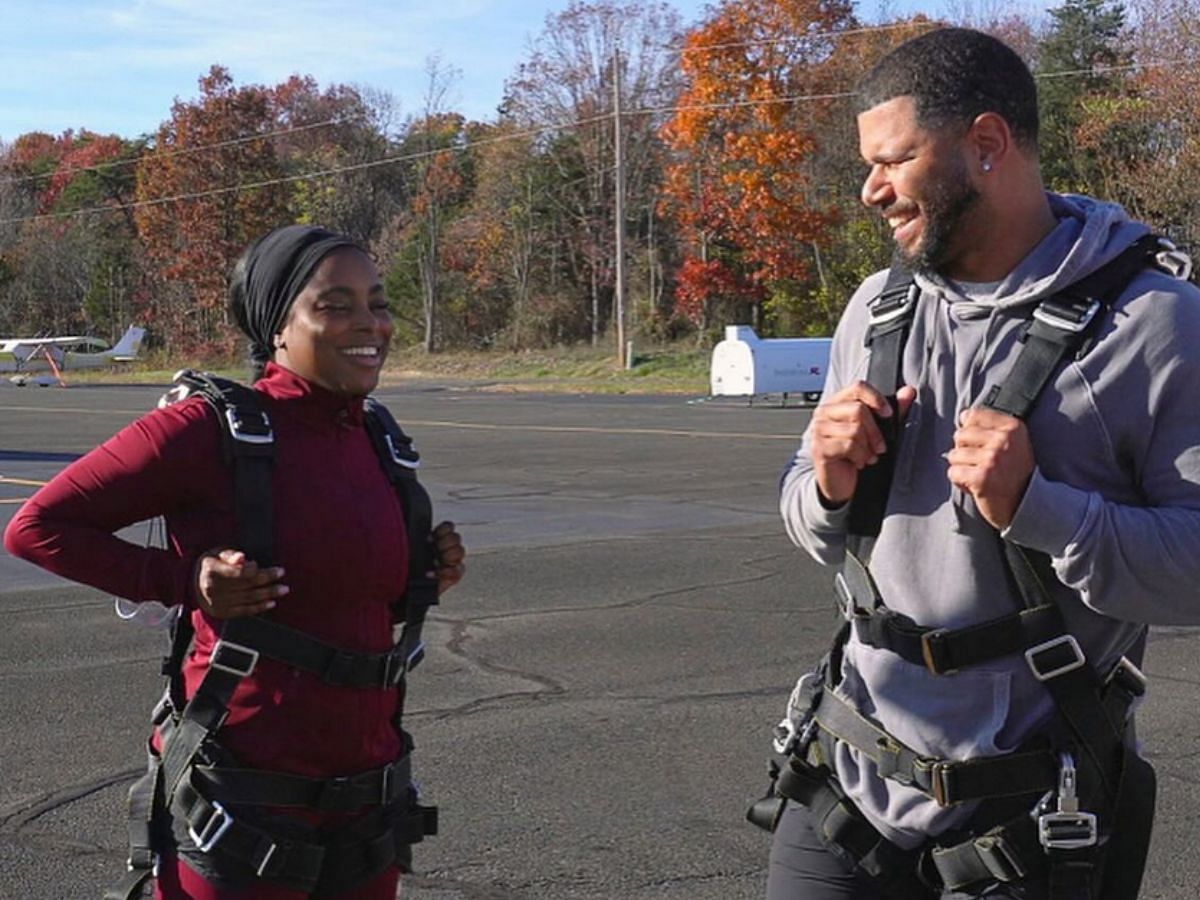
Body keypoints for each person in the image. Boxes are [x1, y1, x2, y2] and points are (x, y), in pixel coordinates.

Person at [767, 27, 1200, 900]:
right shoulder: (876, 306)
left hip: (1033, 822)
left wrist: (1040, 507)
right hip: (847, 790)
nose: (870, 189)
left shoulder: (1160, 325)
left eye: (895, 160)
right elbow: (806, 515)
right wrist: (823, 489)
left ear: (988, 144)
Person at [4, 224, 465, 899]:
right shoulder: (208, 431)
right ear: (278, 326)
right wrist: (182, 581)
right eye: (335, 305)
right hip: (242, 808)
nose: (368, 323)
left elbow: (336, 601)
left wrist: (422, 578)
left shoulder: (380, 440)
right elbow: (37, 527)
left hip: (366, 807)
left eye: (378, 302)